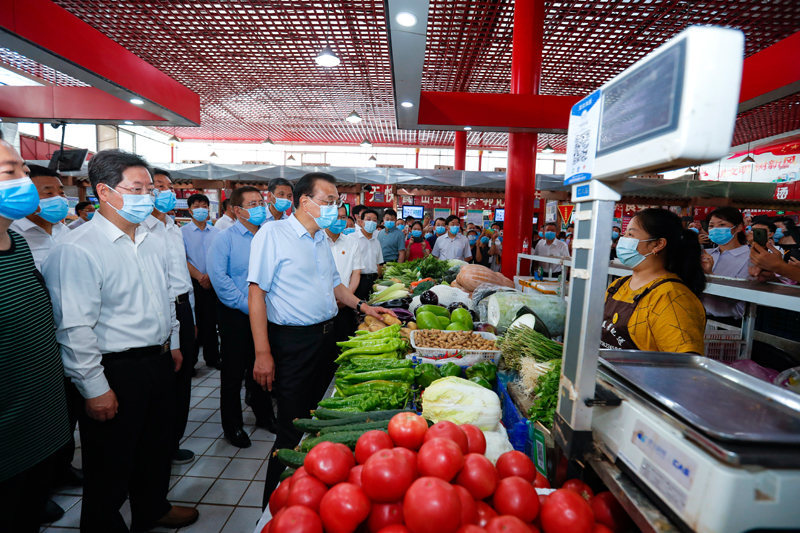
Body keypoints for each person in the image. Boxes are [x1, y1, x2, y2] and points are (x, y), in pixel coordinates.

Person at [42, 149, 198, 532]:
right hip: (116, 370)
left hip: (159, 360)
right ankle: (102, 524)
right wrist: (94, 388)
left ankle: (152, 507)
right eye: (137, 188)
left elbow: (166, 296)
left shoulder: (151, 237)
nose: (148, 196)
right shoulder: (78, 248)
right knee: (111, 462)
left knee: (156, 447)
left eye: (150, 188)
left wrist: (173, 341)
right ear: (105, 192)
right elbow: (74, 329)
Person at [246, 172, 394, 506]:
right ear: (304, 201)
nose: (334, 208)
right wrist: (262, 352)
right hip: (292, 343)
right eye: (328, 201)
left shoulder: (319, 239)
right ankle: (273, 506)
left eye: (337, 202)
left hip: (325, 338)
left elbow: (335, 286)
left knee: (317, 421)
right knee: (292, 427)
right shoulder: (274, 234)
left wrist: (364, 306)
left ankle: (306, 497)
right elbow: (256, 294)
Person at [0, 136, 72, 533]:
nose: (24, 178)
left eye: (22, 169)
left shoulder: (18, 248)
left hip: (39, 429)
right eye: (9, 172)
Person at [207, 186, 276, 449]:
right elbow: (219, 278)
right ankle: (232, 425)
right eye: (253, 203)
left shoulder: (269, 235)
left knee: (264, 366)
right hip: (235, 314)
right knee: (234, 372)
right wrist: (248, 306)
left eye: (262, 202)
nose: (260, 207)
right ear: (238, 210)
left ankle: (264, 415)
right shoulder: (224, 239)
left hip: (268, 313)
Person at [143, 168, 197, 465]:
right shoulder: (141, 230)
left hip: (182, 307)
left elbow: (180, 277)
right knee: (164, 382)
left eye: (168, 186)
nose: (165, 191)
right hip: (161, 311)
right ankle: (158, 446)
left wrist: (193, 316)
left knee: (183, 380)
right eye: (157, 186)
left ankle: (173, 440)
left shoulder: (172, 227)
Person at [601, 208, 706, 354]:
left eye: (630, 234)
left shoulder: (672, 297)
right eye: (624, 233)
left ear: (658, 244)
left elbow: (685, 364)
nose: (622, 239)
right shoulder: (618, 286)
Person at [325, 206, 364, 384]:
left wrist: (346, 296)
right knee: (325, 351)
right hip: (323, 305)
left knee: (344, 345)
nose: (340, 221)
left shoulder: (351, 242)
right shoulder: (318, 240)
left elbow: (356, 273)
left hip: (345, 304)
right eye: (336, 217)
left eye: (343, 217)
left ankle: (342, 381)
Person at [181, 193, 221, 369]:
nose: (201, 210)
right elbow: (183, 259)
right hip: (193, 283)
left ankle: (213, 358)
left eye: (204, 206)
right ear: (190, 210)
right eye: (197, 206)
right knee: (194, 323)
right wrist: (199, 277)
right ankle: (191, 362)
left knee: (212, 322)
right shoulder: (182, 232)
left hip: (213, 283)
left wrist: (211, 277)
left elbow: (220, 258)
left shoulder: (217, 232)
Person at [9, 164, 69, 271]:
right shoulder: (11, 236)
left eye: (61, 192)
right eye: (48, 193)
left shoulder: (64, 231)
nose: (59, 198)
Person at [700, 207, 750, 321]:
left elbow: (736, 297)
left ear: (738, 227)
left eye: (722, 225)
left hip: (732, 324)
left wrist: (709, 275)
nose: (715, 229)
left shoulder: (750, 257)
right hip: (700, 317)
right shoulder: (706, 254)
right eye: (711, 226)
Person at [354, 208, 383, 300]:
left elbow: (379, 263)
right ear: (361, 222)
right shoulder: (352, 239)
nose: (371, 222)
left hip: (373, 280)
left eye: (374, 220)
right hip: (357, 279)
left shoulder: (376, 242)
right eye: (368, 219)